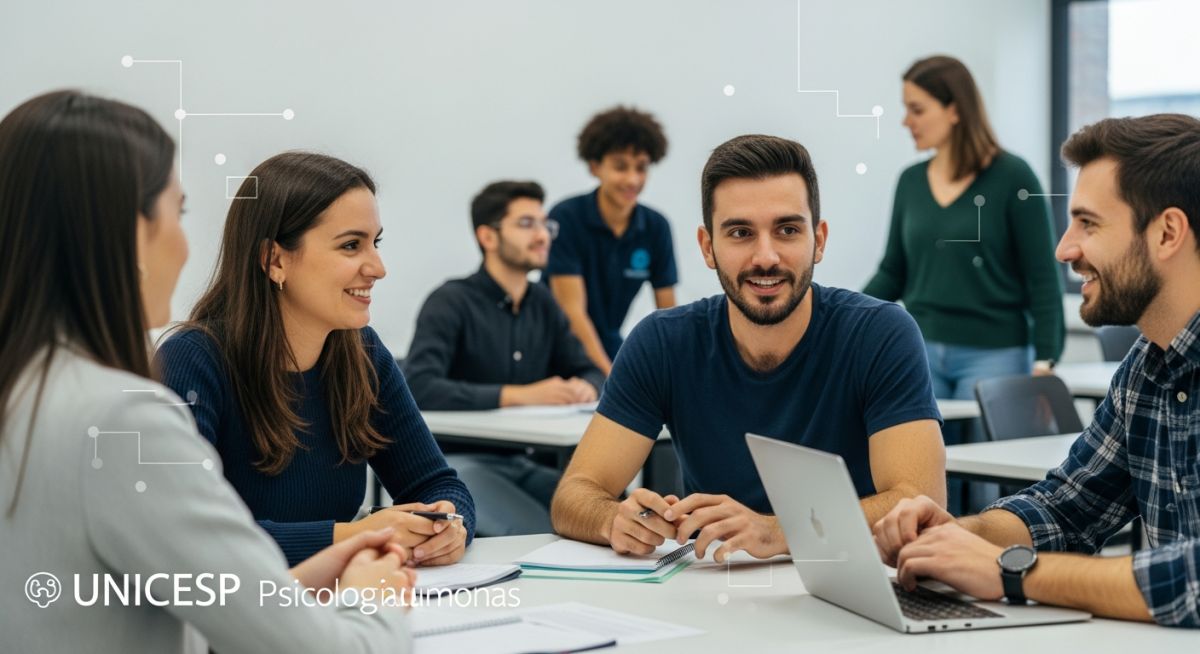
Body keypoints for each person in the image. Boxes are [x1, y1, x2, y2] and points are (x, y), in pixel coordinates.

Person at [0, 90, 414, 653]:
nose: (185, 241)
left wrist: (306, 572)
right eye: (179, 211)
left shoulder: (26, 390)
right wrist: (372, 595)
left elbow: (151, 600)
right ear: (125, 230)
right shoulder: (124, 418)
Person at [551, 134, 947, 563]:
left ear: (819, 239)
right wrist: (614, 519)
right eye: (740, 232)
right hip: (715, 595)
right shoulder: (662, 342)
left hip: (855, 587)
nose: (766, 256)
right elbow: (574, 494)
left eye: (788, 230)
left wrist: (779, 530)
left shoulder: (880, 334)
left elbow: (920, 502)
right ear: (708, 247)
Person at [873, 114, 1200, 627]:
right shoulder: (1147, 368)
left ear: (1167, 233)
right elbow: (1067, 509)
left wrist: (1012, 572)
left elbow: (1194, 580)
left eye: (1088, 223)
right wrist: (963, 536)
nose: (1064, 248)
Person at [156, 152, 474, 567]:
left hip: (335, 605)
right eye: (350, 245)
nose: (378, 268)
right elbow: (187, 536)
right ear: (275, 259)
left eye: (375, 243)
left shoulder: (362, 352)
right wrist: (355, 537)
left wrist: (448, 525)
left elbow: (436, 483)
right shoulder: (191, 361)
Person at [862, 55, 1065, 513]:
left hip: (996, 355)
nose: (905, 121)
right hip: (921, 350)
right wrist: (837, 315)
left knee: (987, 490)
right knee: (920, 485)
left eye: (917, 109)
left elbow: (1043, 279)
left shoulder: (1013, 177)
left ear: (954, 109)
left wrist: (1046, 363)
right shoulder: (911, 181)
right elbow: (893, 270)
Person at [405, 181, 605, 535]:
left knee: (602, 514)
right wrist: (518, 395)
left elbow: (587, 368)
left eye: (546, 224)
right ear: (488, 237)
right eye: (527, 224)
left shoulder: (543, 302)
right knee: (539, 533)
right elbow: (419, 387)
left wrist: (586, 386)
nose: (543, 235)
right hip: (459, 464)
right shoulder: (450, 301)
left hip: (528, 462)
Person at [547, 106, 678, 375]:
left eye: (641, 168)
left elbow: (669, 315)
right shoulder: (565, 217)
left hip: (609, 346)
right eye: (620, 166)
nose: (633, 179)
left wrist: (678, 371)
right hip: (556, 351)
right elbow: (572, 312)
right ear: (595, 167)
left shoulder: (656, 227)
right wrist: (612, 378)